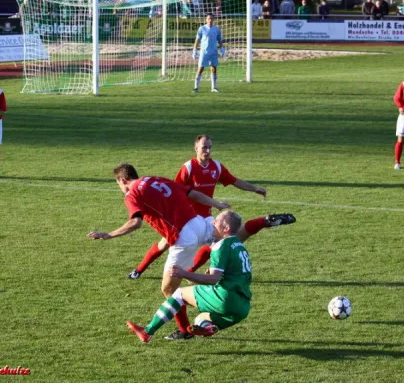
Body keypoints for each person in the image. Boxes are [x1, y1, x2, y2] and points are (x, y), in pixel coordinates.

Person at [87, 163, 230, 340]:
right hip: (198, 224)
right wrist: (216, 204)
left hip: (183, 239)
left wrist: (109, 234)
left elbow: (135, 223)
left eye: (119, 185)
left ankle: (192, 326)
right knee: (228, 238)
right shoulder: (155, 179)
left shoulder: (132, 194)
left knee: (170, 290)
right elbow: (191, 193)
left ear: (123, 180)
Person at [129, 134, 295, 279]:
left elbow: (234, 180)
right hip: (186, 218)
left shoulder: (216, 166)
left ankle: (192, 271)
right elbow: (175, 191)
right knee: (164, 244)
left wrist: (255, 188)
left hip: (206, 217)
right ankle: (139, 270)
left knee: (218, 243)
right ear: (195, 148)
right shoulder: (188, 167)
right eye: (203, 147)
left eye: (209, 147)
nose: (207, 151)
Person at [126, 210, 252, 343]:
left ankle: (147, 332)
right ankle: (209, 328)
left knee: (179, 294)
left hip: (225, 297)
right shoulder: (239, 245)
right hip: (242, 306)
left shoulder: (221, 246)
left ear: (226, 228)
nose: (213, 221)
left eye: (218, 220)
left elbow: (213, 279)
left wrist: (184, 273)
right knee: (200, 320)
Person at [192, 13, 224, 94]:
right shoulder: (202, 28)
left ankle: (213, 88)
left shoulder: (216, 29)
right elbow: (197, 40)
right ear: (206, 19)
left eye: (211, 18)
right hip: (204, 52)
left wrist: (222, 48)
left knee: (214, 69)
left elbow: (219, 40)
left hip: (213, 52)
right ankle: (196, 88)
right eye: (209, 18)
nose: (210, 20)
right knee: (200, 69)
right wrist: (194, 50)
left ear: (213, 19)